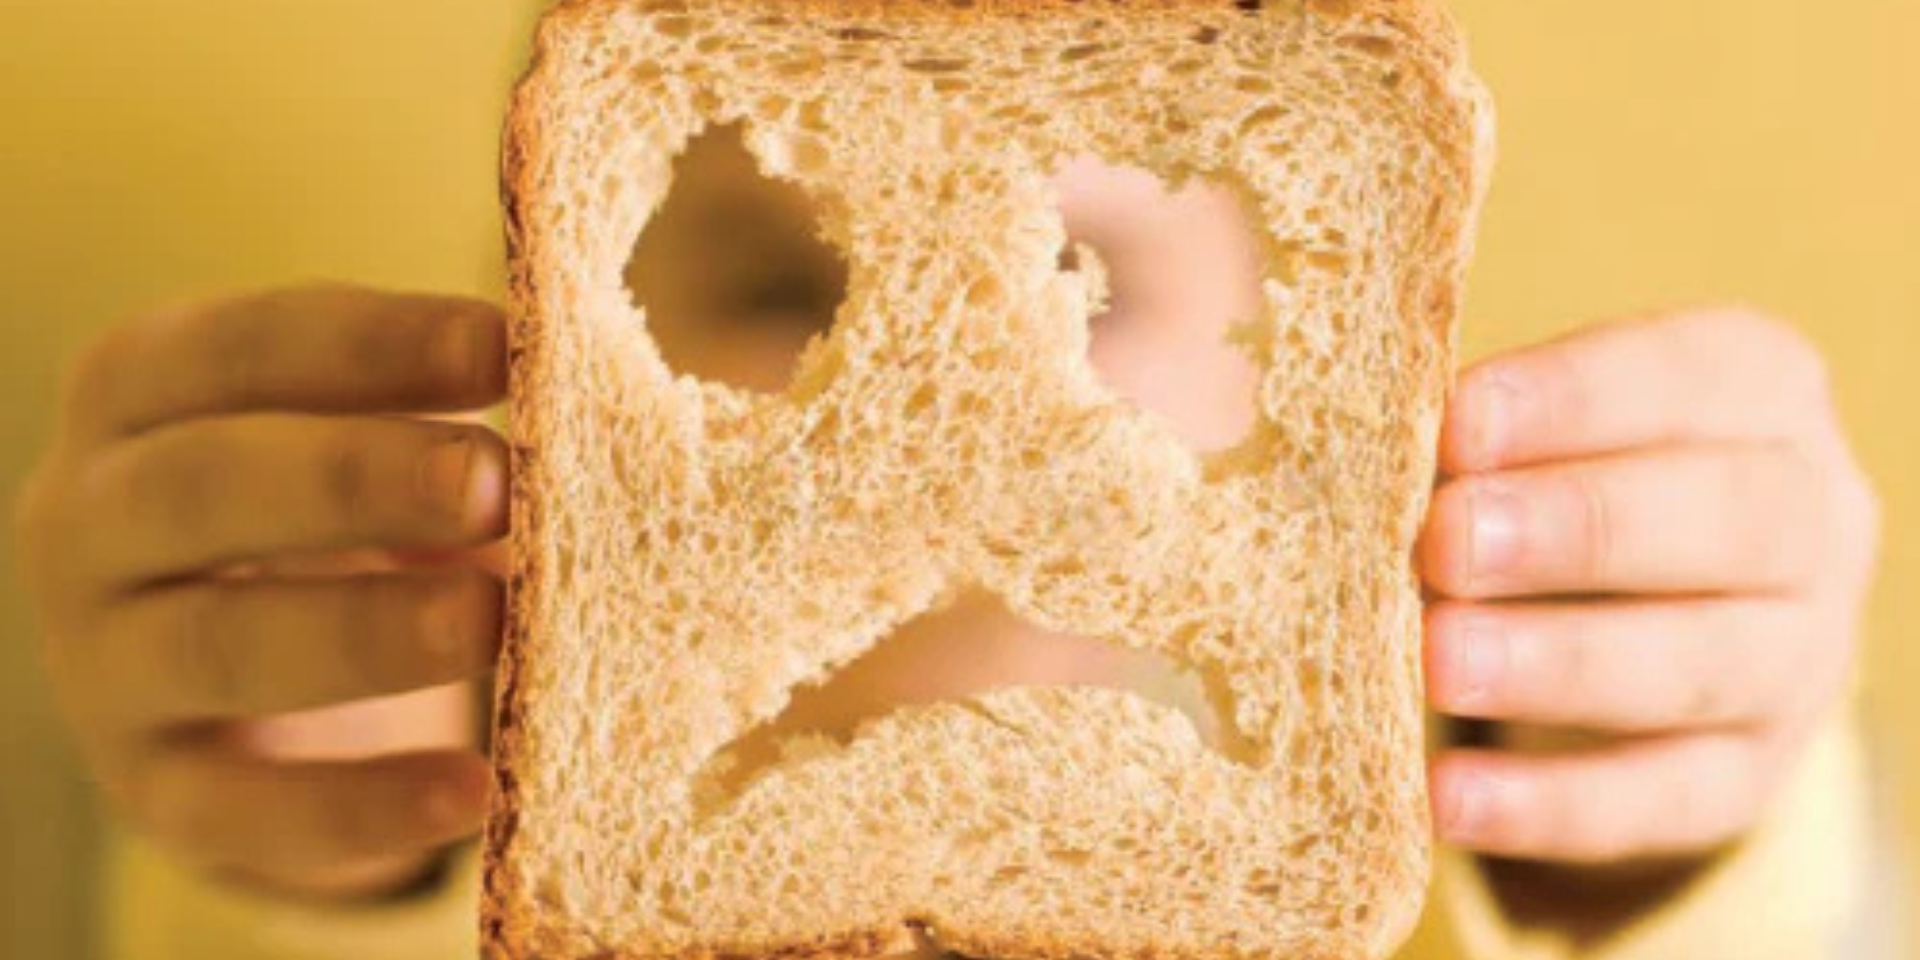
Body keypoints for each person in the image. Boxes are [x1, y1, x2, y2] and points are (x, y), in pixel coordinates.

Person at [14, 67, 1885, 960]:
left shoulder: (1371, 890)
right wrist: (320, 870)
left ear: (1315, 370)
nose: (953, 425)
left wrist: (1649, 863)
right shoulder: (536, 861)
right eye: (780, 294)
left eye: (1086, 281)